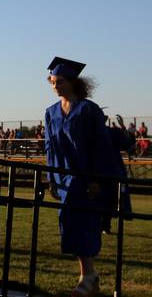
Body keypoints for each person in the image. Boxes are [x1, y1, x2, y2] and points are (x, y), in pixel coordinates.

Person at [44, 57, 123, 297]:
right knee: (68, 223)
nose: (56, 85)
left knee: (86, 224)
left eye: (60, 81)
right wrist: (52, 177)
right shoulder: (51, 113)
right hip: (66, 178)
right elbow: (50, 147)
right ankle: (88, 275)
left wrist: (97, 179)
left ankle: (87, 277)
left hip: (88, 177)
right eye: (53, 81)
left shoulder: (88, 109)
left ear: (72, 82)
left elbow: (101, 146)